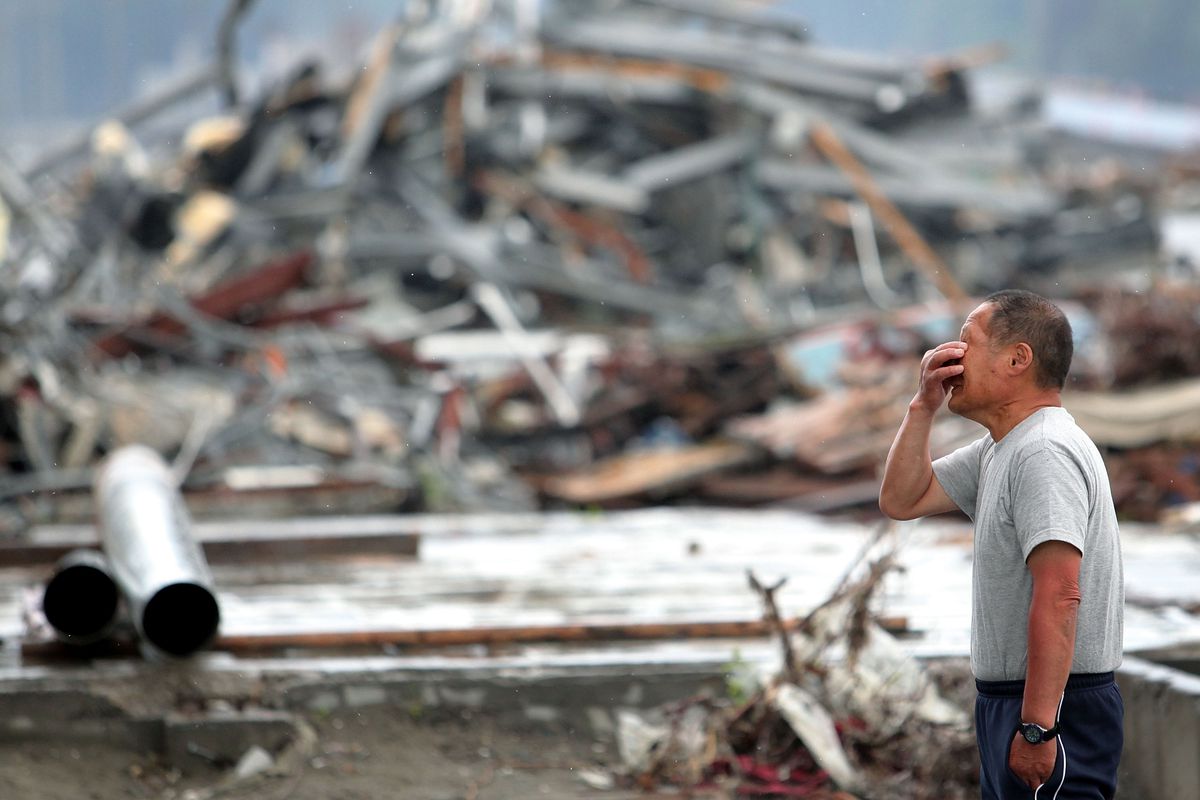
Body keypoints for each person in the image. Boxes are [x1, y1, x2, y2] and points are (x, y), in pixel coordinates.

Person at [878, 290, 1124, 799]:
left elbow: (1060, 594)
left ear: (1017, 359)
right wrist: (922, 406)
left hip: (1056, 705)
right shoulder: (1002, 448)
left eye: (967, 341)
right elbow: (902, 499)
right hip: (1013, 701)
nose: (952, 356)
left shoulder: (1044, 451)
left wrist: (1038, 727)